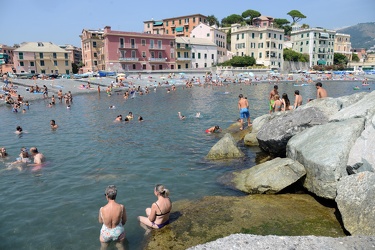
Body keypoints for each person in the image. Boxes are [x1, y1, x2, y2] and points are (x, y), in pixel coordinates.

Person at [99, 185, 127, 250]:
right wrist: (119, 225)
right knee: (120, 246)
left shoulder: (102, 209)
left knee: (103, 247)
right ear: (115, 195)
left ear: (106, 195)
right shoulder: (121, 207)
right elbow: (124, 220)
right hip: (118, 231)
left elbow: (100, 221)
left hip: (106, 233)